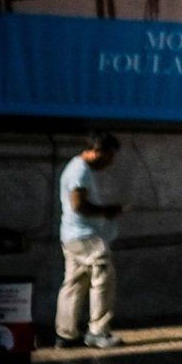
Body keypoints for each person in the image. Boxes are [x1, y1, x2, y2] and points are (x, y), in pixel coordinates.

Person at [57, 131, 124, 349]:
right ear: (97, 151)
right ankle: (98, 331)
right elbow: (78, 205)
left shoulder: (75, 167)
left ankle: (66, 334)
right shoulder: (80, 171)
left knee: (74, 283)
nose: (110, 162)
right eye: (109, 156)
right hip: (85, 236)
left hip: (71, 235)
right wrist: (107, 211)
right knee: (103, 278)